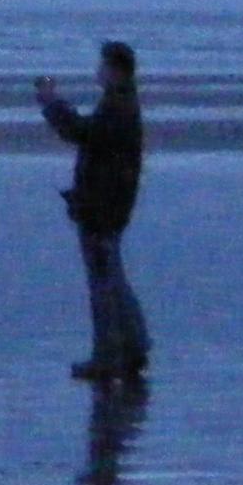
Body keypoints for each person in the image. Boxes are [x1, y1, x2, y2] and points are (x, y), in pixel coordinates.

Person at [35, 40, 149, 384]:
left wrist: (51, 103)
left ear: (115, 69)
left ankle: (109, 356)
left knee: (104, 282)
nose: (97, 72)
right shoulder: (121, 103)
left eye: (102, 66)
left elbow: (83, 133)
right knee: (111, 278)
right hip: (106, 203)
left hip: (103, 207)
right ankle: (132, 348)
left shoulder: (118, 106)